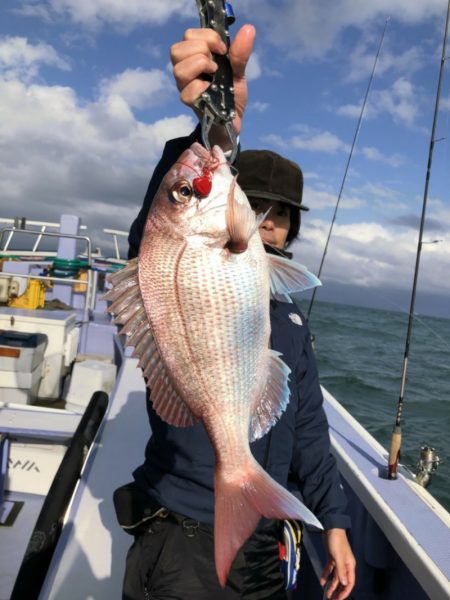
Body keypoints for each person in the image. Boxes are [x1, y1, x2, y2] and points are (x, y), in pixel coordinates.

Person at [119, 24, 356, 600]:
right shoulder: (191, 244)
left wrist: (338, 523)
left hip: (265, 546)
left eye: (284, 213)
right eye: (261, 204)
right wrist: (211, 127)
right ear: (238, 199)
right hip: (182, 537)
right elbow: (156, 249)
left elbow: (307, 428)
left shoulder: (292, 321)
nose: (270, 220)